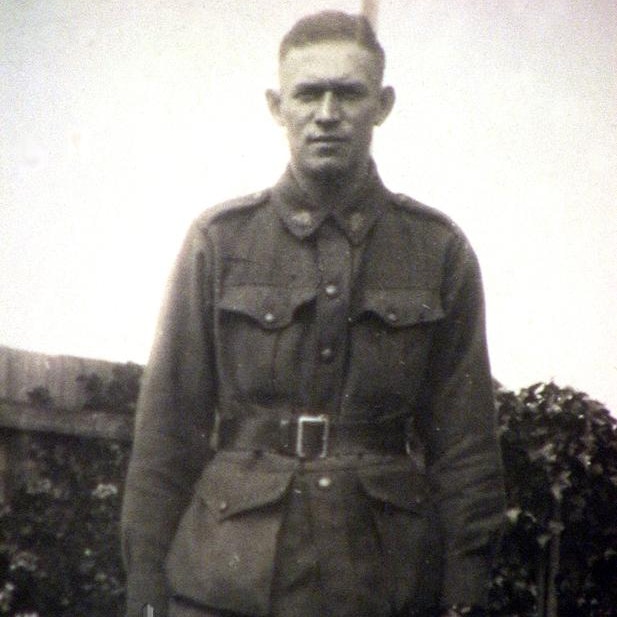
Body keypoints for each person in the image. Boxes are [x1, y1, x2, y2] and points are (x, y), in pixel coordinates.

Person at [121, 10, 505, 617]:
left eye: (348, 93)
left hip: (384, 583)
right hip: (226, 580)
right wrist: (145, 589)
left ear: (382, 105)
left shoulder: (437, 251)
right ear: (278, 107)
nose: (327, 113)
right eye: (308, 93)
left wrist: (464, 592)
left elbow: (466, 447)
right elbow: (168, 430)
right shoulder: (220, 242)